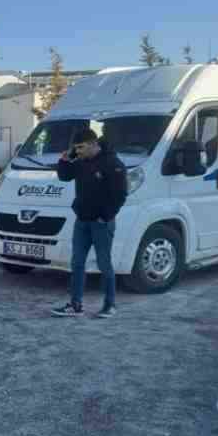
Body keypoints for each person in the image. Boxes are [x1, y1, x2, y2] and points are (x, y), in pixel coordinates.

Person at [51, 128, 128, 319]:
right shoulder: (80, 162)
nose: (78, 151)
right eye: (75, 148)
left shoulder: (113, 163)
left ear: (94, 144)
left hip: (102, 223)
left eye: (81, 147)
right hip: (82, 222)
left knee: (104, 264)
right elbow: (64, 176)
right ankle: (75, 305)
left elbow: (120, 195)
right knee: (77, 263)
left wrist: (106, 216)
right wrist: (64, 159)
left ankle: (109, 305)